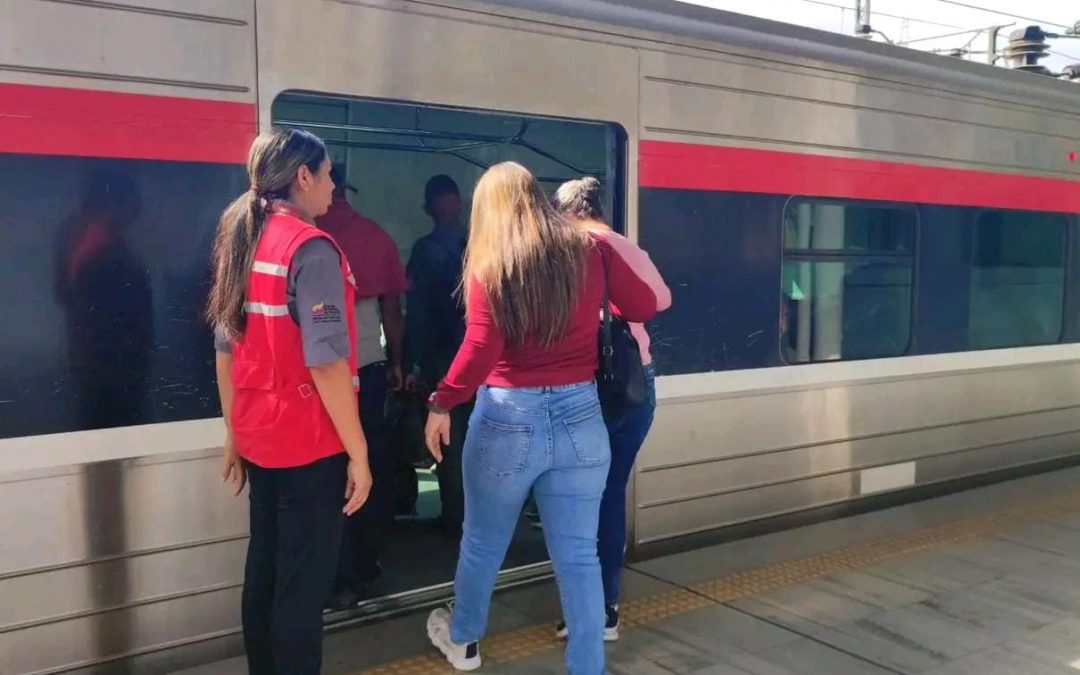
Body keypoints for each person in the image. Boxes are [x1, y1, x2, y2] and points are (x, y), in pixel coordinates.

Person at [422, 162, 660, 674]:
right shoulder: (588, 249)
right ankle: (588, 666)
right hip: (581, 415)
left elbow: (482, 346)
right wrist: (599, 248)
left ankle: (464, 641)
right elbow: (643, 303)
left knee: (483, 540)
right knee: (577, 555)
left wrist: (442, 402)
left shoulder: (493, 262)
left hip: (509, 415)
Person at [207, 128, 373, 675]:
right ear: (303, 177)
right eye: (327, 175)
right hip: (308, 440)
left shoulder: (241, 239)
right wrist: (360, 453)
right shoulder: (311, 249)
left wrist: (235, 432)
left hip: (260, 436)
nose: (332, 187)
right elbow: (326, 362)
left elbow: (225, 347)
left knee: (267, 571)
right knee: (302, 589)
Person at [553, 177, 671, 643]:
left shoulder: (571, 250)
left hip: (587, 392)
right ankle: (605, 608)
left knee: (576, 499)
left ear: (568, 212)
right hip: (635, 387)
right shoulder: (627, 248)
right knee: (609, 493)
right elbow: (661, 300)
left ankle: (583, 609)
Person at [317, 165, 408, 608]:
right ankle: (364, 566)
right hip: (369, 372)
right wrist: (397, 364)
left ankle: (330, 575)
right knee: (368, 470)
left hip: (318, 380)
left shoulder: (307, 234)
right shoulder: (375, 237)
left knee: (327, 476)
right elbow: (393, 310)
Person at [403, 174, 469, 533]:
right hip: (483, 361)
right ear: (458, 203)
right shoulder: (479, 246)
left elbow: (417, 312)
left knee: (447, 441)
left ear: (428, 209)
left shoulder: (424, 252)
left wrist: (409, 361)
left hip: (441, 360)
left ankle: (454, 515)